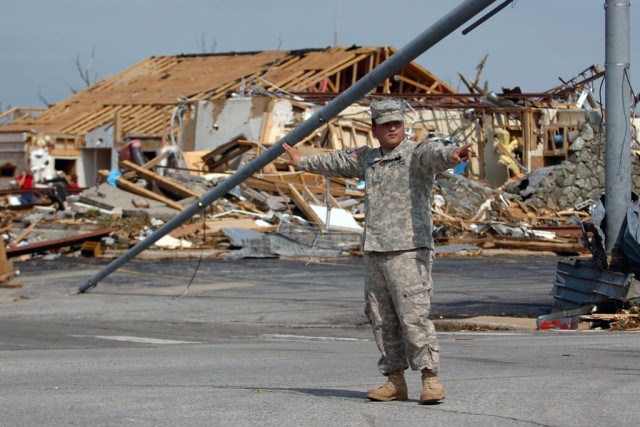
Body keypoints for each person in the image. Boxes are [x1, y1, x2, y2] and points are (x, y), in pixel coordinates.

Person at [282, 99, 472, 404]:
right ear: (375, 129)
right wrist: (302, 160)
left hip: (408, 250)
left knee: (414, 316)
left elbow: (435, 154)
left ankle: (430, 378)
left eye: (396, 123)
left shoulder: (415, 154)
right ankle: (395, 381)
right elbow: (338, 161)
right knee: (381, 318)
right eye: (386, 124)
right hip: (375, 249)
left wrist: (451, 155)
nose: (393, 128)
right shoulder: (368, 159)